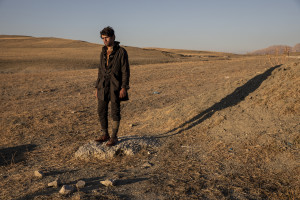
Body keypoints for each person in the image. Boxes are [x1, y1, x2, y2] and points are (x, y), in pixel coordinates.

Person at [95, 26, 130, 146]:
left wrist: (124, 87)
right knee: (101, 110)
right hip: (102, 86)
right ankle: (105, 134)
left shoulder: (121, 52)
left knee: (115, 111)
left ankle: (114, 137)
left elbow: (125, 71)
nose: (104, 40)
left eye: (107, 38)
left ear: (113, 37)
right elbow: (100, 70)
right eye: (103, 38)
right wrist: (97, 87)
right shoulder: (103, 52)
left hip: (116, 86)